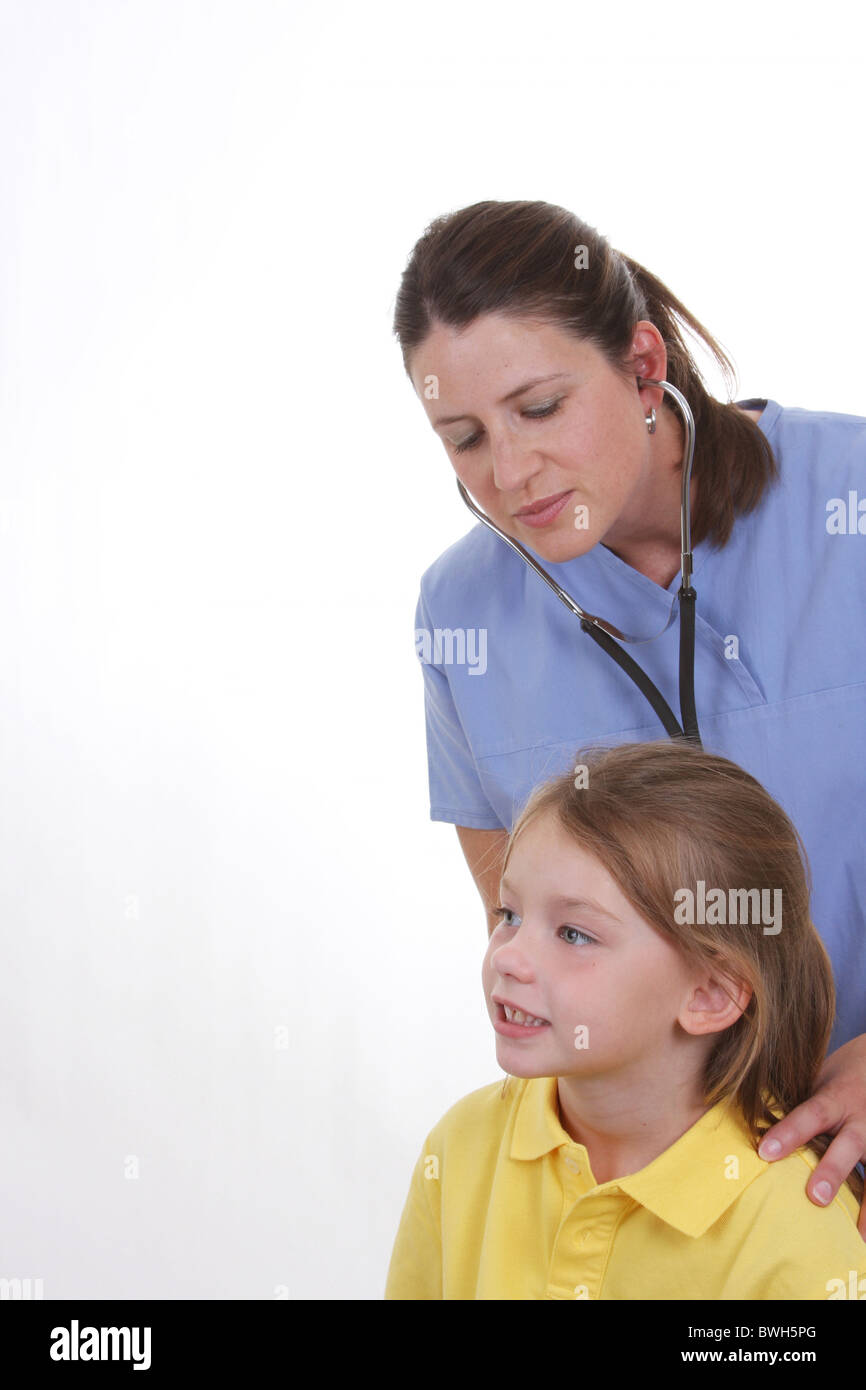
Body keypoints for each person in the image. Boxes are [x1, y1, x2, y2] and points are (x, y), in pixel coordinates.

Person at [393, 199, 866, 1233]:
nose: (506, 475)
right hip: (690, 1199)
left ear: (644, 367)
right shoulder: (460, 616)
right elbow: (534, 951)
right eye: (462, 437)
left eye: (539, 408)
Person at [384, 741, 866, 1300]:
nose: (508, 956)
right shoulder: (461, 1146)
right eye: (509, 914)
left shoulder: (799, 1230)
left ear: (710, 994)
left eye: (573, 934)